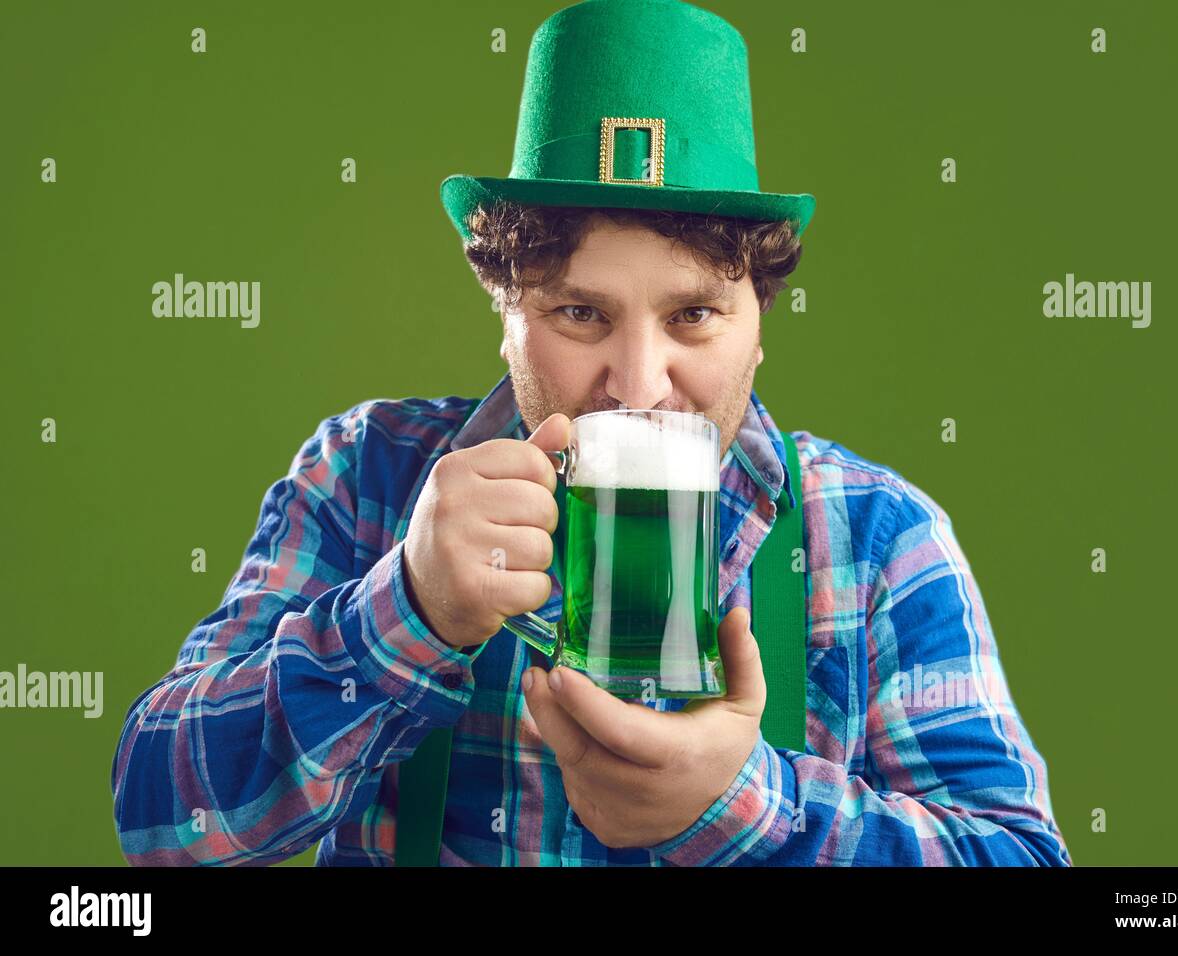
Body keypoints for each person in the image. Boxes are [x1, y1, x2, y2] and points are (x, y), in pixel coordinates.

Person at [111, 0, 1071, 866]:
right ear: (505, 307)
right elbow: (159, 821)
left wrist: (748, 809)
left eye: (693, 316)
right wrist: (406, 610)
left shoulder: (875, 538)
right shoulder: (366, 474)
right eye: (580, 314)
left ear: (760, 323)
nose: (639, 385)